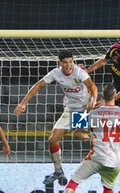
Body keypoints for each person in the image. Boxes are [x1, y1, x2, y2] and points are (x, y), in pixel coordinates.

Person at [14, 50, 98, 185]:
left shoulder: (79, 72)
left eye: (71, 62)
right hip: (70, 108)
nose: (69, 65)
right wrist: (23, 103)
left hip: (83, 108)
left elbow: (92, 86)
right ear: (60, 63)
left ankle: (96, 154)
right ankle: (58, 171)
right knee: (52, 140)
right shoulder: (55, 73)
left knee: (80, 134)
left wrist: (93, 100)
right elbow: (38, 85)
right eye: (65, 62)